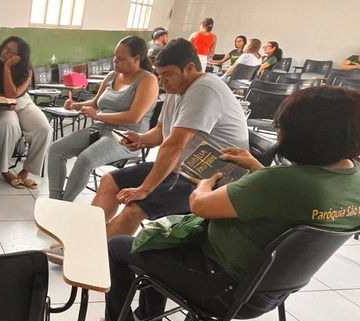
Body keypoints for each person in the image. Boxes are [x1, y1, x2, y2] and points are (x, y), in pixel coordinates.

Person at [99, 86, 360, 321]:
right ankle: (148, 319)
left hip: (221, 287)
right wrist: (257, 168)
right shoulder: (353, 179)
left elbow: (199, 205)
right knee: (167, 242)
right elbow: (292, 198)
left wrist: (202, 183)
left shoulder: (280, 181)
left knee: (119, 246)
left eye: (281, 125)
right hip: (271, 291)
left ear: (302, 133)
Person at [91, 39, 249, 241]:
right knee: (110, 180)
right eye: (159, 75)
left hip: (209, 178)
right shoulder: (176, 89)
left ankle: (94, 255)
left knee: (134, 209)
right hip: (181, 168)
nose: (162, 81)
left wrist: (144, 189)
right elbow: (160, 132)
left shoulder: (204, 89)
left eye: (167, 74)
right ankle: (86, 239)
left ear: (189, 68)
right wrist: (140, 139)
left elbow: (174, 145)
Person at [47, 36, 159, 202]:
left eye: (121, 59)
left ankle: (64, 204)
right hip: (99, 128)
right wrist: (75, 105)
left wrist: (97, 115)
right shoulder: (113, 76)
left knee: (86, 159)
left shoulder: (147, 80)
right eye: (115, 57)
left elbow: (134, 117)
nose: (115, 61)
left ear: (136, 59)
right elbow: (95, 103)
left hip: (125, 136)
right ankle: (54, 200)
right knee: (56, 149)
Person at [0, 36, 52, 189]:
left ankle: (26, 171)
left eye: (10, 51)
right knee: (8, 125)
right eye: (5, 48)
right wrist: (4, 99)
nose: (5, 52)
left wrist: (7, 67)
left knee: (44, 129)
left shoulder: (27, 69)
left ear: (19, 57)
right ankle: (5, 170)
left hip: (23, 102)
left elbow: (14, 94)